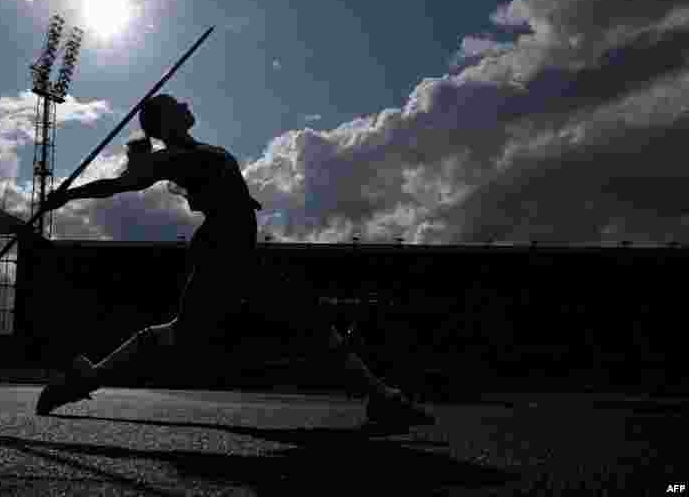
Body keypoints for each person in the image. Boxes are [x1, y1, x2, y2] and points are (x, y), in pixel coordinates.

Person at [35, 94, 432, 427]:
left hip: (234, 249)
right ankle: (381, 397)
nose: (186, 103)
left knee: (189, 332)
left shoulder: (198, 150)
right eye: (176, 103)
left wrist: (241, 200)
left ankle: (85, 378)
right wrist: (69, 196)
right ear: (165, 119)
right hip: (223, 251)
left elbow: (215, 187)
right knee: (297, 319)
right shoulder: (170, 158)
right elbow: (120, 184)